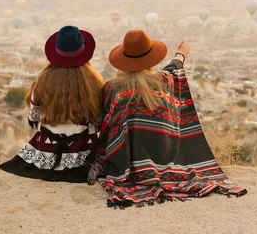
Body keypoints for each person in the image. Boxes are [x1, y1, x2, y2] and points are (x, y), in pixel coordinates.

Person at [88, 30, 247, 207]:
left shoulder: (113, 87)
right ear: (150, 58)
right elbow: (174, 69)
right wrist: (181, 54)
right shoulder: (166, 81)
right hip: (165, 156)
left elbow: (107, 125)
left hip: (125, 161)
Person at [0, 26, 104, 183]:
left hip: (48, 147)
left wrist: (43, 119)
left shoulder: (43, 80)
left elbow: (33, 114)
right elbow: (98, 119)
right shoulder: (93, 82)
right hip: (82, 147)